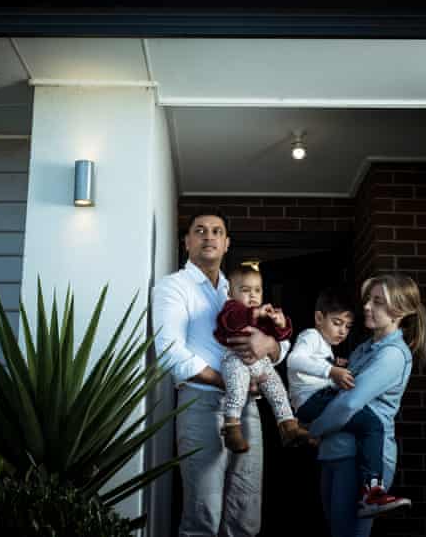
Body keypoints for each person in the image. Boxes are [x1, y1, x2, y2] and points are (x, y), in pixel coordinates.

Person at [152, 210, 290, 537]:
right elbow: (170, 351)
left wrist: (269, 343)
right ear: (187, 242)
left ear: (227, 243)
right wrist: (225, 380)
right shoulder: (174, 287)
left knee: (245, 516)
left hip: (247, 410)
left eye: (217, 231)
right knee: (204, 516)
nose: (209, 236)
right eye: (200, 230)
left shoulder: (238, 290)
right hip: (201, 404)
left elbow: (279, 348)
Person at [307, 274, 426, 535]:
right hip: (335, 450)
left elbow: (349, 403)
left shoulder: (392, 355)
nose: (366, 307)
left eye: (378, 302)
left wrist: (312, 430)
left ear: (399, 311)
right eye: (368, 300)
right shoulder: (364, 349)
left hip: (360, 459)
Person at [288, 288, 412, 518]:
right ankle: (372, 492)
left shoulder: (391, 353)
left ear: (397, 312)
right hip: (315, 405)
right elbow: (296, 360)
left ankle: (372, 490)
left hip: (338, 443)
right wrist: (332, 370)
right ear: (318, 318)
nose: (342, 331)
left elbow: (347, 398)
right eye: (337, 323)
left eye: (347, 326)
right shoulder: (311, 336)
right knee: (371, 425)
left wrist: (335, 366)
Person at [213, 264, 311, 453]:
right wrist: (254, 313)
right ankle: (232, 427)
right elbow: (232, 321)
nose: (252, 296)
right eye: (245, 290)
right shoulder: (230, 309)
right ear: (231, 293)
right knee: (237, 389)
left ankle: (288, 425)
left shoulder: (263, 315)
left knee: (278, 390)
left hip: (262, 363)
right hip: (235, 359)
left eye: (257, 290)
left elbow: (280, 338)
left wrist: (280, 324)